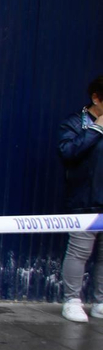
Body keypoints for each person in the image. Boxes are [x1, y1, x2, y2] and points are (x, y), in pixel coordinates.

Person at [58, 75, 103, 323]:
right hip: (85, 199)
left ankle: (101, 301)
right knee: (79, 251)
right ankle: (72, 300)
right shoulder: (75, 123)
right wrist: (97, 129)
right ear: (96, 98)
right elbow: (68, 152)